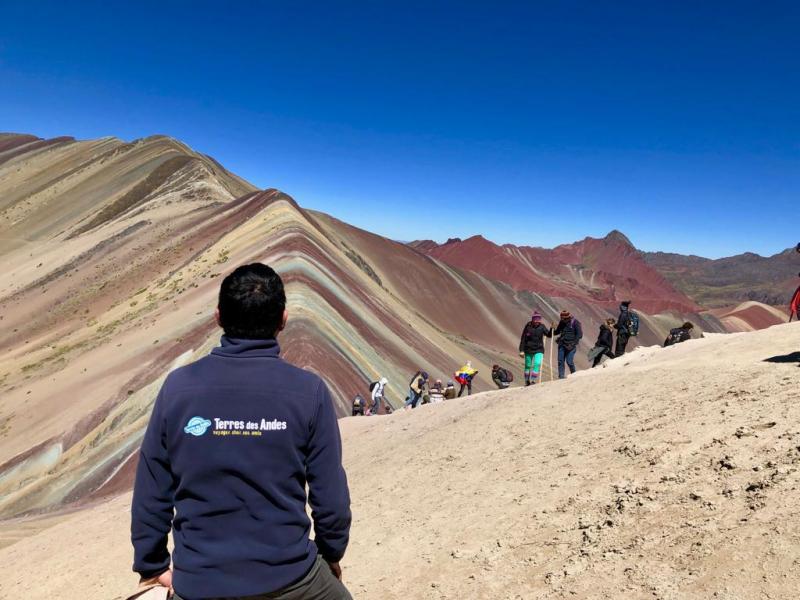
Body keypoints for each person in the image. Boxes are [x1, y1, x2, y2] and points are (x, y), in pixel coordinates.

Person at [131, 263, 352, 600]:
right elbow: (331, 498)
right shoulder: (309, 392)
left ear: (218, 316)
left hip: (198, 582)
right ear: (283, 319)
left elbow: (152, 486)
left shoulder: (178, 388)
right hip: (291, 579)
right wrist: (331, 553)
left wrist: (152, 565)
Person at [518, 311, 553, 385]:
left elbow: (549, 335)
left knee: (537, 363)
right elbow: (523, 339)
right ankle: (527, 380)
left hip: (539, 349)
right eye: (535, 319)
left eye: (538, 319)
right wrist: (521, 350)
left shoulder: (542, 326)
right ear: (532, 319)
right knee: (528, 365)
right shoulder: (528, 326)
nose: (537, 321)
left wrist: (551, 329)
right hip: (528, 349)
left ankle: (533, 380)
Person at [554, 310, 583, 379]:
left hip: (571, 346)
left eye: (564, 318)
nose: (562, 320)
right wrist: (552, 329)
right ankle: (561, 377)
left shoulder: (575, 322)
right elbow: (557, 331)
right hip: (562, 344)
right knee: (560, 361)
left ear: (568, 317)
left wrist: (573, 343)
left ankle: (574, 374)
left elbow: (580, 335)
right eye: (562, 318)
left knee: (569, 361)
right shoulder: (562, 322)